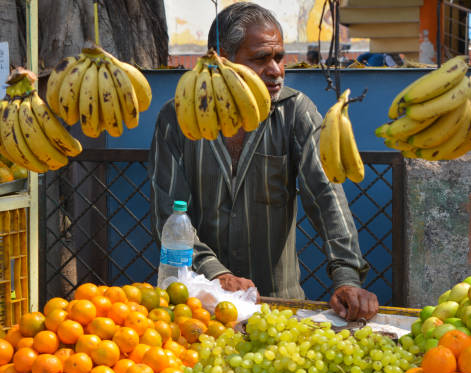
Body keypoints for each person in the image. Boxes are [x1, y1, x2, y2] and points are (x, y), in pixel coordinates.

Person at [148, 3, 378, 321]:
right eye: (260, 59)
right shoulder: (177, 118)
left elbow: (327, 200)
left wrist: (347, 277)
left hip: (276, 304)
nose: (275, 70)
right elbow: (167, 215)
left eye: (279, 57)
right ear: (222, 60)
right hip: (198, 304)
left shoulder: (295, 112)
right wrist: (216, 274)